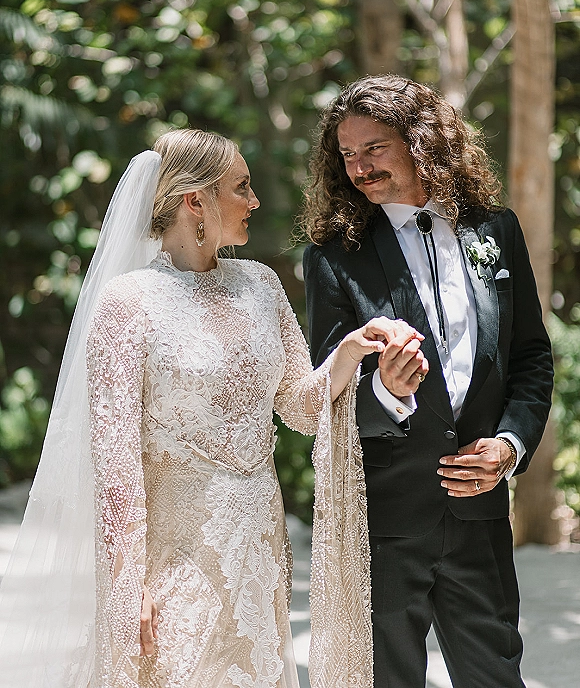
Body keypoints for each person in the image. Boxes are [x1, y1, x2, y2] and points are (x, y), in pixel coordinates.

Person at [0, 127, 404, 688]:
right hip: (174, 562)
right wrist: (127, 584)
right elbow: (116, 464)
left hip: (259, 551)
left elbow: (303, 407)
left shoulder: (262, 285)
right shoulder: (127, 304)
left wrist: (349, 353)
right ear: (197, 201)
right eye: (241, 187)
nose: (255, 202)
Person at [302, 74, 553, 688]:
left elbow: (529, 356)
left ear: (421, 141)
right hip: (386, 518)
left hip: (480, 513)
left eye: (374, 149)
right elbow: (323, 390)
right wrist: (385, 390)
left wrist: (509, 447)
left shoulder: (496, 231)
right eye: (347, 155)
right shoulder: (333, 255)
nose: (359, 168)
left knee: (496, 676)